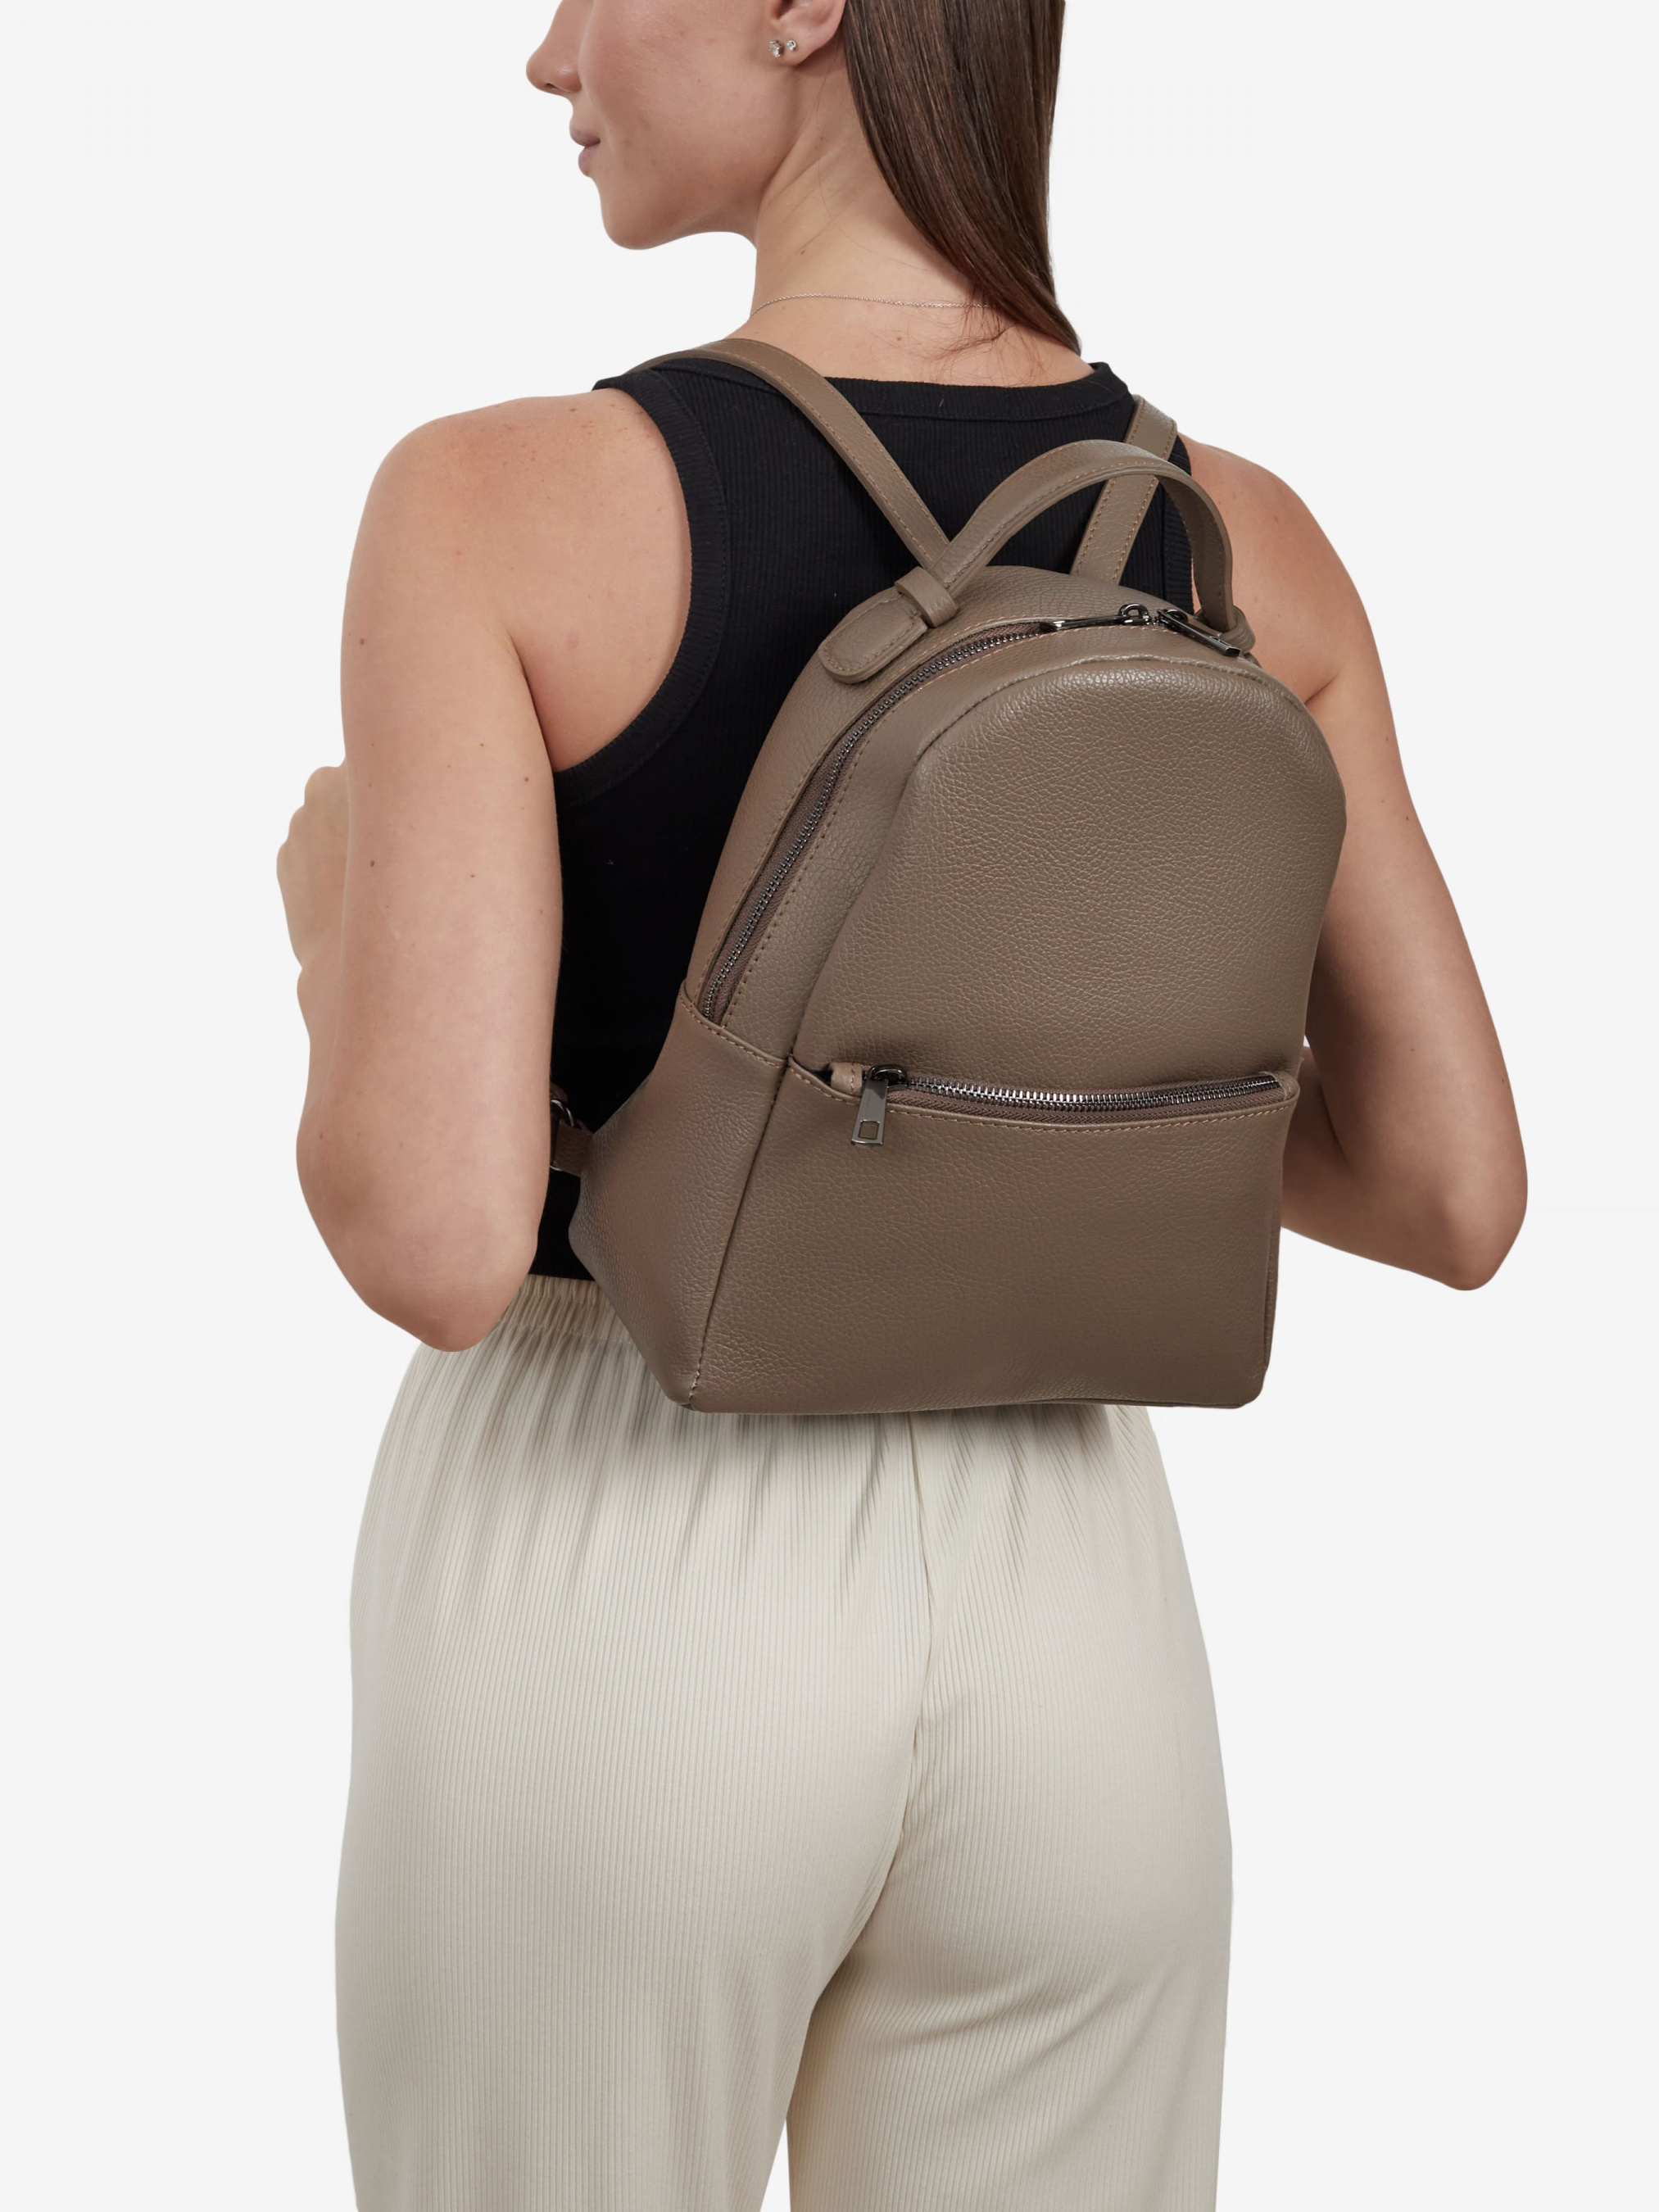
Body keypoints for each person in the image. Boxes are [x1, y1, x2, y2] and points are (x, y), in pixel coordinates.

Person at [276, 3, 1527, 2205]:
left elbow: (437, 1240)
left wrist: (334, 937)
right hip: (1076, 1612)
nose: (548, 53)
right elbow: (1450, 1188)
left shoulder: (493, 504)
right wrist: (1039, 1118)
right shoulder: (1233, 537)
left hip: (617, 1561)